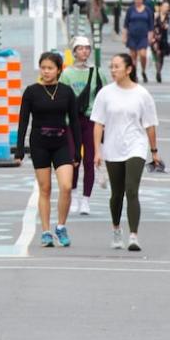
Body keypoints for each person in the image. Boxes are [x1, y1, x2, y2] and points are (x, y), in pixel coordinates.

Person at [91, 53, 160, 252]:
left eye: (117, 67)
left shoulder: (142, 94)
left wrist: (154, 151)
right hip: (112, 147)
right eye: (111, 66)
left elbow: (150, 125)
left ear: (129, 69)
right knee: (116, 194)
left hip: (136, 146)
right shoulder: (105, 94)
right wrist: (97, 151)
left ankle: (134, 235)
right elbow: (98, 124)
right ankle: (116, 230)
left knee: (131, 190)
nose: (113, 70)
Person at [15, 52, 83, 247]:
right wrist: (20, 149)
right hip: (39, 144)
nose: (46, 71)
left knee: (66, 186)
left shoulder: (66, 92)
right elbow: (23, 121)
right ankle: (45, 231)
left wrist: (77, 150)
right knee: (45, 189)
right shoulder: (31, 91)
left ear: (59, 70)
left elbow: (75, 123)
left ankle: (60, 226)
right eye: (43, 68)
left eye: (50, 68)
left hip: (62, 142)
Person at [60, 34, 105, 215]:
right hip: (72, 121)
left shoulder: (97, 72)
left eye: (87, 48)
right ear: (74, 51)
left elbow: (106, 94)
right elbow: (62, 98)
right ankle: (74, 194)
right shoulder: (67, 74)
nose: (84, 51)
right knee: (73, 160)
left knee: (89, 160)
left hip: (92, 120)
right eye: (80, 48)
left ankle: (86, 200)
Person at [122, 0, 154, 83]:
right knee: (133, 57)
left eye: (139, 0)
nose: (138, 1)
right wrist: (124, 36)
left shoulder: (147, 10)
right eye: (136, 0)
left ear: (142, 0)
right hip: (132, 36)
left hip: (143, 36)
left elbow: (151, 25)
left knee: (143, 54)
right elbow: (126, 24)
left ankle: (143, 71)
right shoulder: (131, 10)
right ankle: (134, 74)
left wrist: (150, 36)